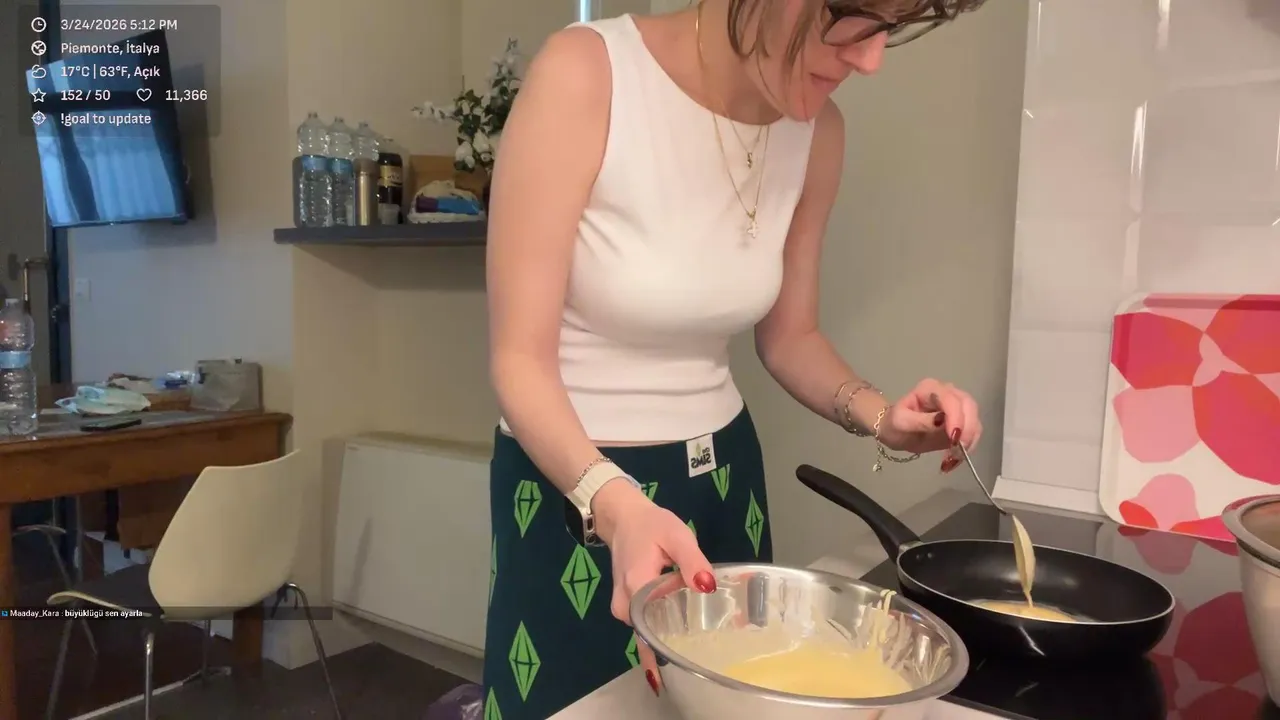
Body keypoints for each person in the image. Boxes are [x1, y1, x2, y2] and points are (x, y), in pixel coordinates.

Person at [483, 0, 990, 717]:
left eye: (891, 27)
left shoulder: (818, 133)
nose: (871, 58)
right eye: (856, 13)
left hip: (722, 482)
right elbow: (518, 362)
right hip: (577, 489)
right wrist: (615, 504)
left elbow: (791, 337)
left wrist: (887, 418)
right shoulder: (586, 75)